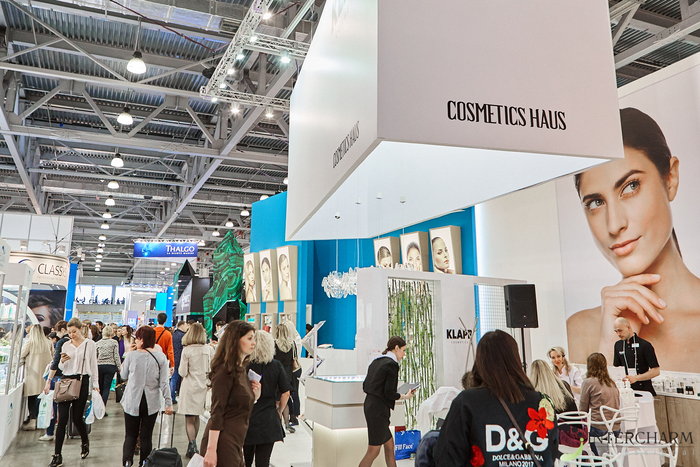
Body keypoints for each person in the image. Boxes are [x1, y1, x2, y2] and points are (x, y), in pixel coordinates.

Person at [566, 108, 700, 372]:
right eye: (595, 202)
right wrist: (608, 350)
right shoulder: (579, 333)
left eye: (630, 186)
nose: (614, 224)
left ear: (670, 179)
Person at [435, 330, 560, 467]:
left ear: (480, 362)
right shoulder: (543, 402)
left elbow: (447, 457)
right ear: (516, 359)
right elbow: (550, 454)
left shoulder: (467, 402)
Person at [200, 320, 261, 467]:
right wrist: (211, 450)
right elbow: (217, 411)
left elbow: (236, 405)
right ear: (235, 340)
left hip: (236, 440)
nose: (253, 343)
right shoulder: (225, 371)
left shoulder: (241, 369)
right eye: (249, 338)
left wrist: (255, 396)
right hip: (223, 441)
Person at [47, 317, 100, 467]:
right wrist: (62, 362)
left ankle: (85, 441)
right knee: (62, 419)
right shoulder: (65, 345)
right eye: (70, 332)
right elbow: (61, 367)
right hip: (66, 381)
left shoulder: (90, 344)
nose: (72, 335)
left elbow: (93, 365)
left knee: (77, 418)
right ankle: (57, 455)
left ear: (80, 329)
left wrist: (96, 384)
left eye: (74, 331)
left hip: (82, 381)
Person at [120, 326, 174, 467]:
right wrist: (168, 403)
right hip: (151, 401)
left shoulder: (131, 355)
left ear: (142, 340)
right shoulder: (161, 357)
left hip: (132, 399)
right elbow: (164, 383)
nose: (135, 341)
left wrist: (128, 352)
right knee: (146, 436)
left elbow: (123, 375)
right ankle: (145, 463)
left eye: (137, 338)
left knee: (130, 434)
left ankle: (127, 461)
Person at [359, 336, 415, 467]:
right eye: (403, 350)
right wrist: (404, 396)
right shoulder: (392, 365)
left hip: (370, 406)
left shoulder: (376, 361)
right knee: (373, 450)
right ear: (396, 348)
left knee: (389, 445)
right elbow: (389, 393)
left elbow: (365, 386)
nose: (404, 354)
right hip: (378, 410)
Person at [244, 330, 291, 467]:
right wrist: (280, 410)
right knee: (263, 461)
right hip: (268, 418)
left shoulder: (245, 365)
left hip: (248, 417)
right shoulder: (276, 365)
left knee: (246, 459)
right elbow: (286, 392)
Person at [178, 323, 213, 458]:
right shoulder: (209, 349)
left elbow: (182, 372)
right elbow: (212, 368)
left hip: (189, 387)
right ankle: (192, 446)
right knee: (197, 415)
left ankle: (192, 445)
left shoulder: (187, 351)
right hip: (203, 387)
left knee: (189, 418)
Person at [580, 353, 621, 455]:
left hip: (599, 428)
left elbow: (582, 411)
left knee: (578, 435)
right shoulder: (611, 383)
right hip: (615, 428)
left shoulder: (588, 382)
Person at [612, 317, 660, 395]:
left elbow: (656, 371)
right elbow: (617, 368)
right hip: (626, 391)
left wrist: (636, 378)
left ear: (628, 327)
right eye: (616, 331)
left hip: (644, 390)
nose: (618, 334)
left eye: (620, 331)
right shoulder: (618, 345)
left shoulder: (645, 345)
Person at [20, 324, 53, 431]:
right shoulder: (48, 342)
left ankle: (32, 419)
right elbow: (53, 357)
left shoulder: (30, 342)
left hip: (32, 375)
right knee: (41, 398)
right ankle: (40, 420)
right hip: (45, 375)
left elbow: (21, 355)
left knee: (32, 398)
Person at [41, 320, 69, 442]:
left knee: (52, 406)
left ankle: (50, 432)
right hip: (69, 378)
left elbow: (56, 362)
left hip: (57, 377)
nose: (57, 334)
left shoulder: (61, 342)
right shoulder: (75, 342)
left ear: (63, 330)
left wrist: (49, 380)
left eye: (57, 331)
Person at [273, 321, 296, 433]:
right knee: (285, 399)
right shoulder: (292, 344)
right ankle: (287, 423)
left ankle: (277, 424)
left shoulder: (274, 344)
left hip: (277, 374)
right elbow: (294, 358)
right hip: (288, 374)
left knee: (276, 401)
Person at [95, 325, 121, 411]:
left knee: (100, 387)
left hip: (99, 366)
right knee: (106, 388)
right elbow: (116, 356)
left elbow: (95, 356)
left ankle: (97, 408)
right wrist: (119, 368)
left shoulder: (97, 343)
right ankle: (102, 409)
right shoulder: (114, 342)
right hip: (110, 366)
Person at [171, 320, 188, 404]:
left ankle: (172, 396)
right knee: (177, 378)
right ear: (182, 326)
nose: (187, 327)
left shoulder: (174, 334)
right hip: (180, 358)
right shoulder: (183, 336)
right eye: (186, 326)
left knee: (173, 378)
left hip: (174, 358)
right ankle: (176, 396)